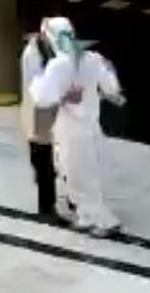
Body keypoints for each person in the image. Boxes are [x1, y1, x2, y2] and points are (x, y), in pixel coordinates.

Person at [31, 17, 126, 237]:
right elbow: (111, 87)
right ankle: (86, 216)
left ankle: (104, 222)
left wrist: (38, 78)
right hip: (91, 126)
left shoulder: (57, 66)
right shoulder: (93, 59)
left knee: (78, 176)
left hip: (70, 131)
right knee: (83, 173)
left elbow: (43, 98)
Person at [20, 19, 66, 221]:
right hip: (40, 115)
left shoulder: (54, 48)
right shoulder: (33, 54)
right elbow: (39, 90)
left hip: (59, 112)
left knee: (66, 158)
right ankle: (46, 208)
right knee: (44, 163)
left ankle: (74, 198)